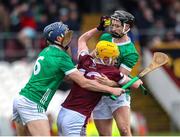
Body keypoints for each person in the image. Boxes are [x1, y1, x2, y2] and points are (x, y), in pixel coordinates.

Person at [12, 21, 126, 136]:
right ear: (58, 38)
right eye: (66, 34)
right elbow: (84, 83)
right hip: (33, 103)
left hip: (21, 99)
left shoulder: (47, 51)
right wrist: (112, 89)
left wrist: (91, 67)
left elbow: (67, 77)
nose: (69, 37)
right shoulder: (61, 57)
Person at [57, 26, 142, 136]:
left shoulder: (84, 60)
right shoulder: (112, 72)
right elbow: (135, 84)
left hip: (63, 112)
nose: (116, 60)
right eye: (114, 57)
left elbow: (82, 39)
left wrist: (98, 27)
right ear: (106, 59)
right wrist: (138, 81)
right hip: (77, 118)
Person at [93, 10, 140, 136]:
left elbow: (120, 77)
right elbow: (93, 57)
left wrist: (109, 83)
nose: (113, 28)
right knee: (104, 135)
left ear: (127, 27)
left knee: (124, 131)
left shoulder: (131, 52)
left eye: (117, 26)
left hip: (118, 95)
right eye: (112, 25)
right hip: (99, 92)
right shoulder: (105, 38)